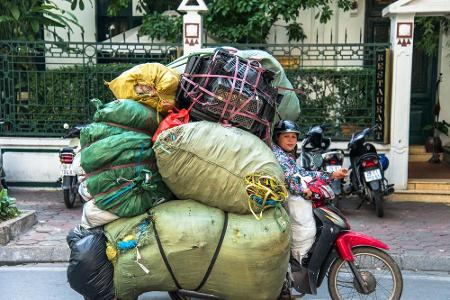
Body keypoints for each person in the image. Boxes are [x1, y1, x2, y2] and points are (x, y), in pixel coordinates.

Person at [272, 120, 347, 263]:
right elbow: (289, 177)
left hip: (289, 196)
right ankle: (299, 258)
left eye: (294, 137)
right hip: (284, 199)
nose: (291, 140)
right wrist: (303, 190)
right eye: (286, 136)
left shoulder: (287, 155)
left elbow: (303, 173)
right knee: (305, 227)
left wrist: (332, 175)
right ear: (278, 137)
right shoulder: (279, 156)